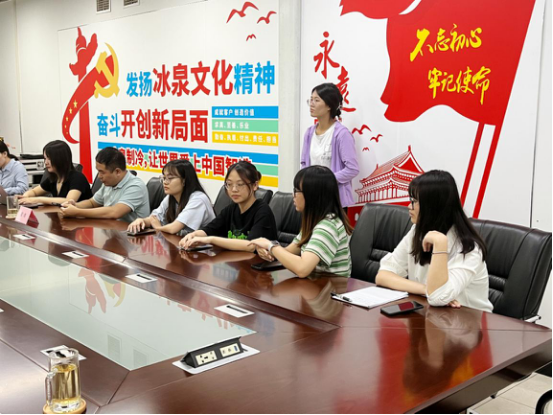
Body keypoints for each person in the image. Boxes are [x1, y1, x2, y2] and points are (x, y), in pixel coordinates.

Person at [375, 170, 493, 312]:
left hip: (469, 320)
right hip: (432, 314)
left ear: (433, 206)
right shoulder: (417, 230)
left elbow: (438, 297)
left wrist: (440, 243)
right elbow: (384, 275)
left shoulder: (469, 248)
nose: (409, 206)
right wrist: (425, 289)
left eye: (414, 202)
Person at [249, 166, 353, 278]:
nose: (293, 195)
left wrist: (271, 246)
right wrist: (268, 251)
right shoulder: (315, 222)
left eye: (296, 191)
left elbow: (302, 269)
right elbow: (288, 251)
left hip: (332, 286)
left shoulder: (327, 226)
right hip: (314, 284)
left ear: (312, 195)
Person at [179, 161, 277, 252]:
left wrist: (211, 239)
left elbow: (251, 246)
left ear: (255, 185)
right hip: (235, 262)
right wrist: (193, 235)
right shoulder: (231, 209)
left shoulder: (263, 212)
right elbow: (209, 230)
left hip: (258, 263)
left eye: (240, 184)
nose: (234, 189)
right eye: (229, 184)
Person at [301, 83, 359, 209]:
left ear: (329, 105)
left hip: (335, 200)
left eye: (316, 100)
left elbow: (352, 169)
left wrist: (325, 180)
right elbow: (304, 164)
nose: (311, 104)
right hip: (312, 197)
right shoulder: (309, 133)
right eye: (310, 100)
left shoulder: (342, 134)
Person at [60, 147, 150, 222]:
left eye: (102, 172)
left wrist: (77, 212)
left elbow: (114, 212)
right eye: (98, 171)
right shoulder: (109, 183)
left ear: (117, 172)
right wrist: (74, 206)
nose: (99, 176)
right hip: (111, 232)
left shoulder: (136, 186)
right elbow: (92, 203)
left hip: (131, 236)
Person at [127, 159, 215, 235]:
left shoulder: (198, 199)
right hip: (184, 243)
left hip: (208, 247)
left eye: (170, 178)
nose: (165, 182)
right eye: (164, 178)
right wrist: (141, 221)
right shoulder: (171, 197)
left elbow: (174, 228)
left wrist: (157, 228)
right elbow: (154, 218)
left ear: (184, 180)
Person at [19, 140, 92, 205]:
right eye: (45, 158)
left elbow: (68, 201)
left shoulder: (78, 178)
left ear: (60, 159)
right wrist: (25, 197)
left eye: (49, 159)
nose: (46, 162)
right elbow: (34, 192)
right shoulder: (54, 178)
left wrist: (37, 200)